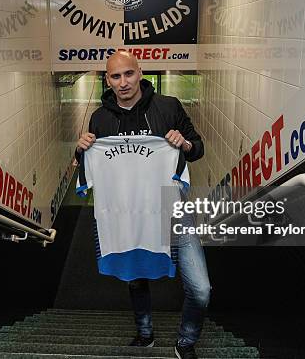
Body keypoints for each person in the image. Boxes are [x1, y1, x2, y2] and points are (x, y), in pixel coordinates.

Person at [75, 50, 211, 359]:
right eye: (115, 76)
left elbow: (197, 148)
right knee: (135, 276)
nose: (123, 82)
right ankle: (145, 331)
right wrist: (80, 150)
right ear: (107, 81)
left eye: (128, 74)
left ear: (140, 72)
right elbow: (88, 163)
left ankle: (186, 342)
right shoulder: (101, 117)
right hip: (127, 210)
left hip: (171, 205)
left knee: (201, 288)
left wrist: (184, 143)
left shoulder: (168, 107)